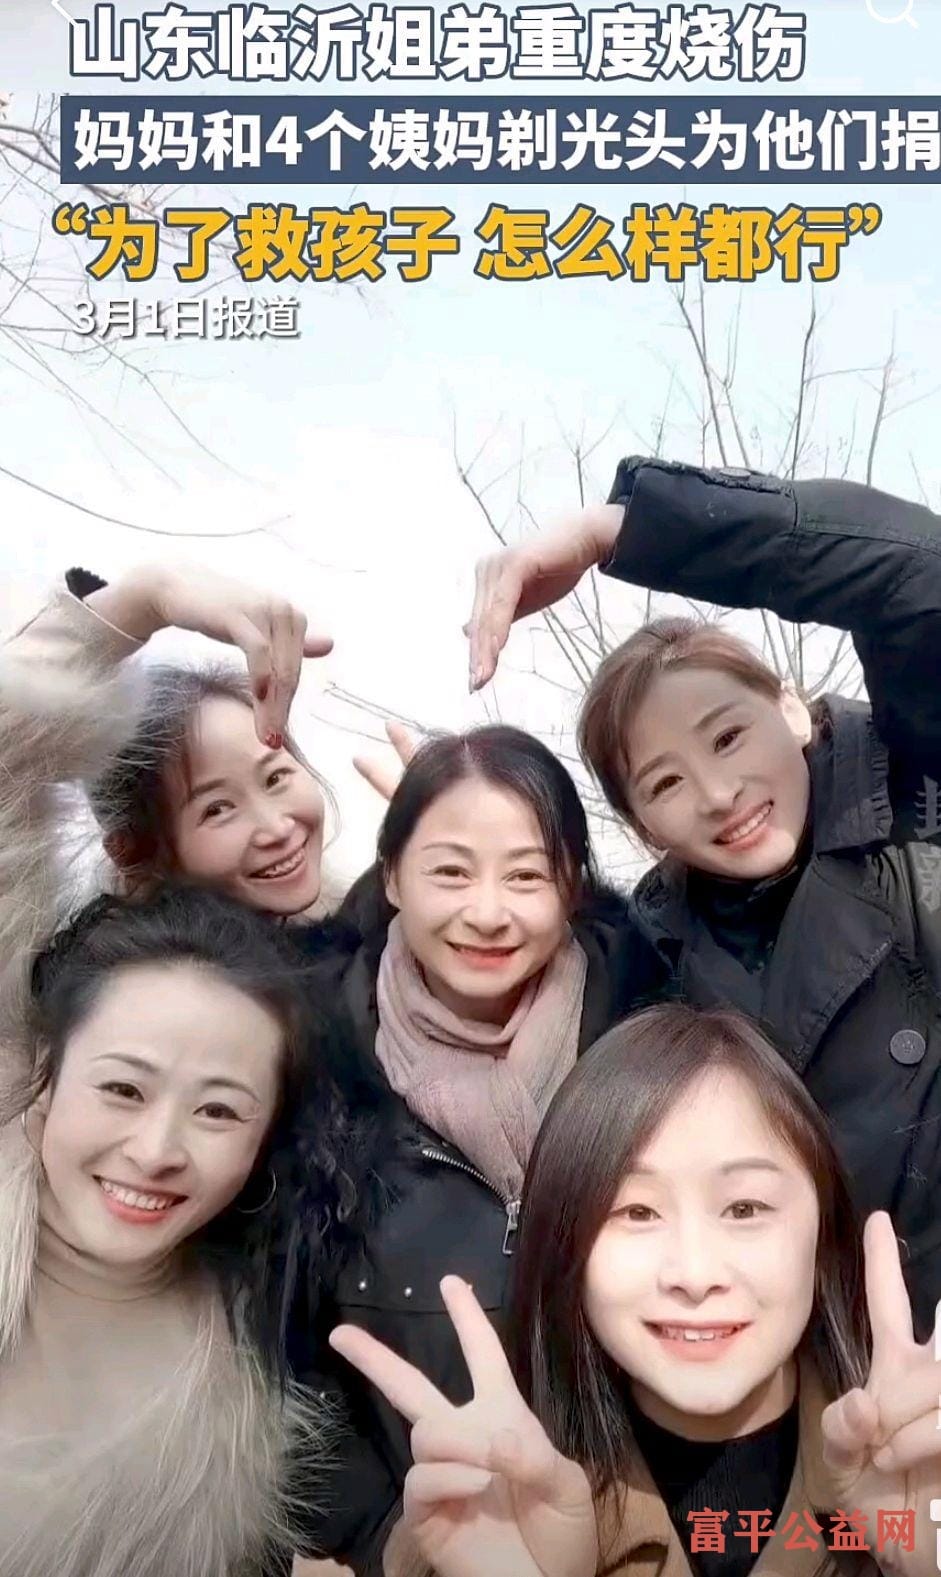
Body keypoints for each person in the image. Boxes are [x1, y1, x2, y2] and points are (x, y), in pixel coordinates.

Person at [465, 457, 941, 1337]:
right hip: (790, 1367)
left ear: (789, 708)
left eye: (727, 736)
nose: (718, 794)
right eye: (665, 781)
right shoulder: (654, 952)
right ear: (641, 823)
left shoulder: (920, 788)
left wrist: (623, 529)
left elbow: (917, 575)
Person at [330, 1004, 941, 1577]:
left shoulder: (919, 1468)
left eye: (745, 1208)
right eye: (637, 1212)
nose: (695, 1274)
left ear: (822, 1230)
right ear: (566, 1245)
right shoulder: (487, 1512)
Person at [284, 724, 667, 1574]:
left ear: (571, 885)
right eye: (450, 871)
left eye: (525, 874)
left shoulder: (656, 1036)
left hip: (662, 1536)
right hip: (446, 1539)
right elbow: (268, 1354)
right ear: (392, 876)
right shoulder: (306, 1064)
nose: (488, 912)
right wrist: (388, 1533)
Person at [0, 881, 342, 1577]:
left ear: (265, 1145)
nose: (157, 1151)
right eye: (123, 1089)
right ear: (45, 1078)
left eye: (217, 1111)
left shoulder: (254, 1383)